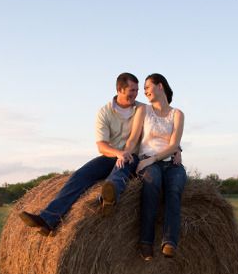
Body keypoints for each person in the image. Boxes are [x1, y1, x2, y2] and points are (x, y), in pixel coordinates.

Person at [18, 72, 142, 235]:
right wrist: (118, 153)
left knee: (119, 171)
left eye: (136, 90)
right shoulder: (104, 112)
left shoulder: (142, 109)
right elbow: (101, 146)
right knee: (80, 176)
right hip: (111, 155)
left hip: (133, 158)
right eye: (132, 90)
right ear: (120, 89)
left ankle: (107, 198)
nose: (135, 94)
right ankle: (48, 219)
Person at [99, 74, 186, 260]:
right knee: (151, 186)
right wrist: (125, 153)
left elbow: (173, 145)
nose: (144, 92)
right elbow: (133, 138)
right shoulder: (143, 110)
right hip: (146, 160)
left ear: (160, 86)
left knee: (175, 189)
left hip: (170, 163)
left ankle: (170, 241)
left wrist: (156, 158)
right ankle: (146, 243)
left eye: (147, 87)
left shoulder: (177, 114)